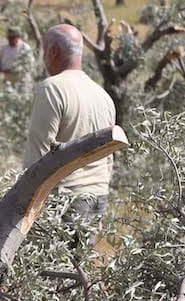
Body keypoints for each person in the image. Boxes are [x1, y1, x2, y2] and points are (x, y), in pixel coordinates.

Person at [22, 23, 116, 224]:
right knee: (82, 256)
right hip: (98, 195)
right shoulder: (103, 95)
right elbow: (109, 156)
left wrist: (21, 202)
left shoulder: (52, 88)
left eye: (44, 50)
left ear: (53, 51)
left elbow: (39, 154)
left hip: (65, 199)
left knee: (49, 256)